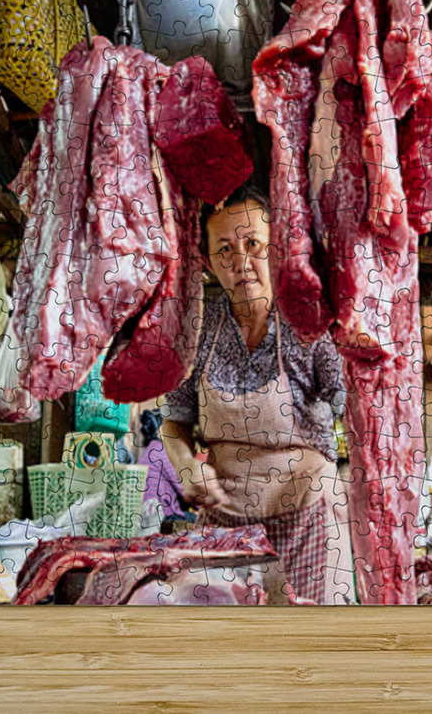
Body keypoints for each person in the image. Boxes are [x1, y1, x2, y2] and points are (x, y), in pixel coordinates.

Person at [162, 184, 347, 603]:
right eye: (225, 249)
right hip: (225, 520)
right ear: (208, 261)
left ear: (276, 249)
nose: (241, 261)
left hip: (308, 520)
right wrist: (186, 466)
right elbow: (174, 422)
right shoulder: (200, 328)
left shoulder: (309, 321)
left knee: (306, 652)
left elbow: (348, 404)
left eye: (253, 244)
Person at [136, 409, 189, 523]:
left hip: (145, 516)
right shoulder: (162, 450)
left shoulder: (151, 449)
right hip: (161, 518)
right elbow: (187, 490)